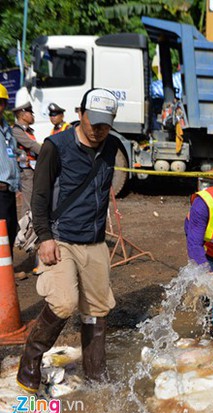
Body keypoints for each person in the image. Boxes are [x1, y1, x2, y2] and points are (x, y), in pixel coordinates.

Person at [17, 88, 120, 393]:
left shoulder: (111, 146)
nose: (99, 129)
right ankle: (29, 364)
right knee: (63, 303)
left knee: (97, 310)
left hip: (95, 242)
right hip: (60, 239)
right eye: (94, 121)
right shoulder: (56, 146)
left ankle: (95, 375)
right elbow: (39, 196)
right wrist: (45, 238)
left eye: (106, 123)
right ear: (80, 113)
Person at [0, 84, 21, 259]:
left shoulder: (6, 128)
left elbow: (12, 152)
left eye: (1, 102)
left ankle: (6, 270)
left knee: (10, 229)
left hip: (9, 189)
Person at [12, 101, 41, 218]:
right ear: (23, 115)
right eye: (30, 113)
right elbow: (32, 145)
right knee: (28, 204)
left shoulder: (27, 130)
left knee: (34, 201)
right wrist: (50, 153)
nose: (33, 116)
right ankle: (24, 232)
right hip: (26, 170)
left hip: (33, 169)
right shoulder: (17, 131)